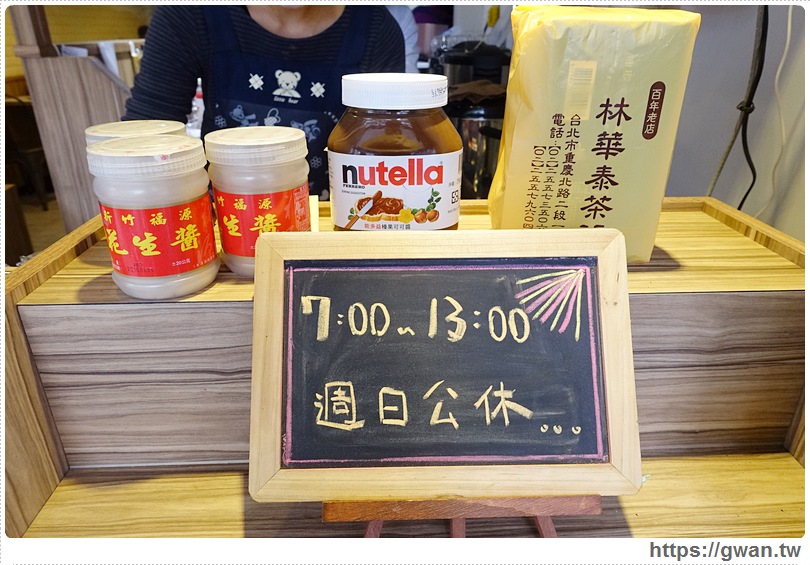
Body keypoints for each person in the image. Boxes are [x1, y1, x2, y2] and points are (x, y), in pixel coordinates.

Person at [123, 5, 405, 199]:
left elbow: (386, 158)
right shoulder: (190, 13)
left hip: (330, 226)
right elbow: (144, 139)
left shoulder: (377, 30)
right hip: (223, 225)